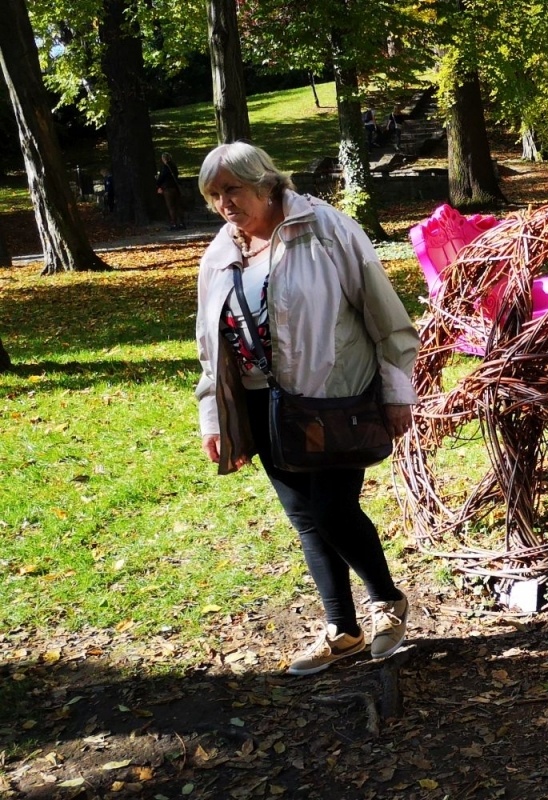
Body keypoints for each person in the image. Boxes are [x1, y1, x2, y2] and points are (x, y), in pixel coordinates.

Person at [193, 142, 420, 676]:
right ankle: (342, 631)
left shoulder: (326, 229)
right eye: (215, 194)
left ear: (267, 184)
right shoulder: (220, 254)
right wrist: (213, 417)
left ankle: (387, 601)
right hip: (260, 404)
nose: (225, 203)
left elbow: (384, 315)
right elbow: (210, 345)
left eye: (234, 190)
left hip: (334, 396)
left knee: (331, 509)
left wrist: (396, 391)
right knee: (304, 519)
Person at [155, 153, 186, 230]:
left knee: (171, 207)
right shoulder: (173, 166)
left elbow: (162, 178)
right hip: (175, 188)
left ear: (164, 159)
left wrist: (157, 183)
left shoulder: (165, 167)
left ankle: (174, 224)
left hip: (168, 189)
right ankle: (182, 223)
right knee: (178, 206)